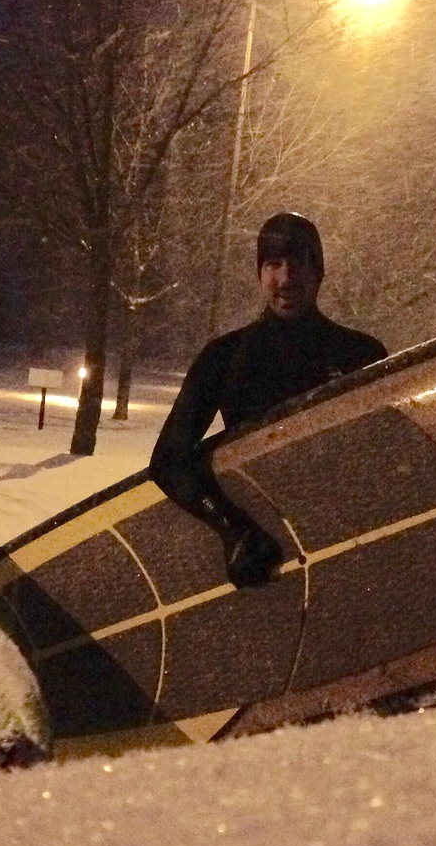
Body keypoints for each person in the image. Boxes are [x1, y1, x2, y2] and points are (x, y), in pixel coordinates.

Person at [150, 212, 386, 587]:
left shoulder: (361, 355)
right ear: (260, 273)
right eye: (274, 264)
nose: (287, 278)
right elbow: (168, 461)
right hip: (266, 560)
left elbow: (384, 455)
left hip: (346, 553)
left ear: (319, 272)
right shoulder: (224, 358)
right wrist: (233, 529)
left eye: (299, 263)